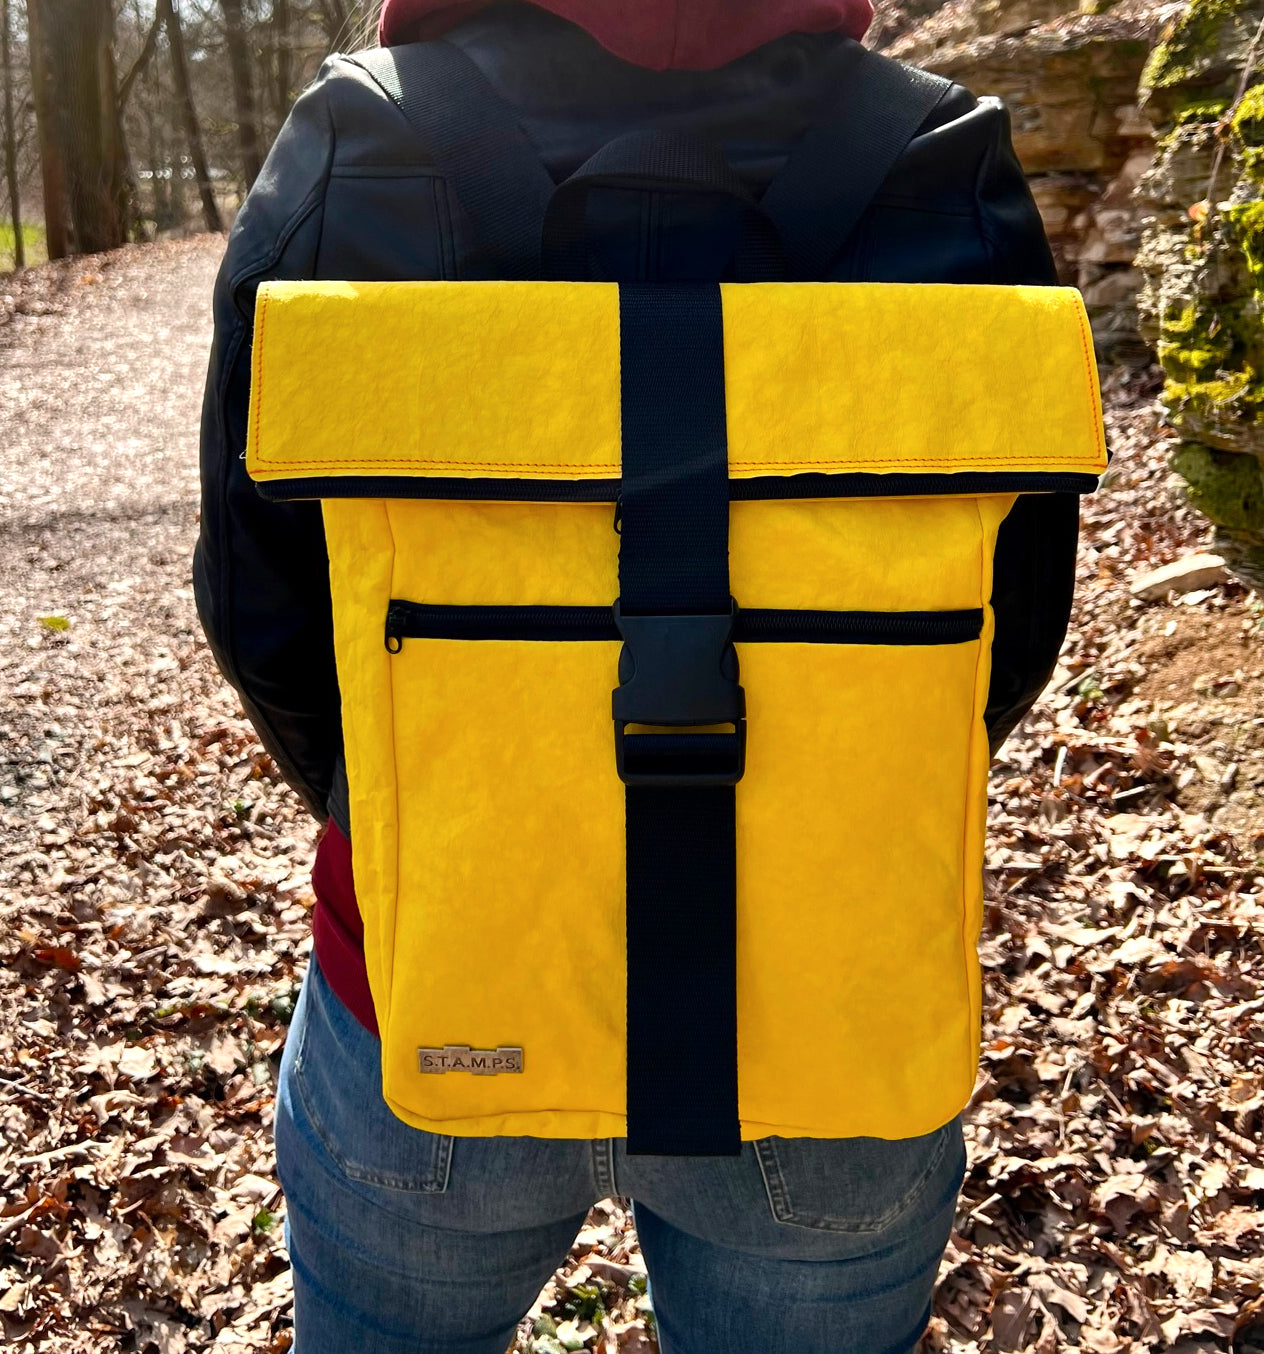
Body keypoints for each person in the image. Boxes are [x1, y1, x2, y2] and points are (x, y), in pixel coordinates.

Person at [195, 1, 1075, 1349]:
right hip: (836, 1010)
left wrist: (408, 800)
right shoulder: (934, 153)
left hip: (431, 981)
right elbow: (1007, 624)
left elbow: (258, 601)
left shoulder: (360, 138)